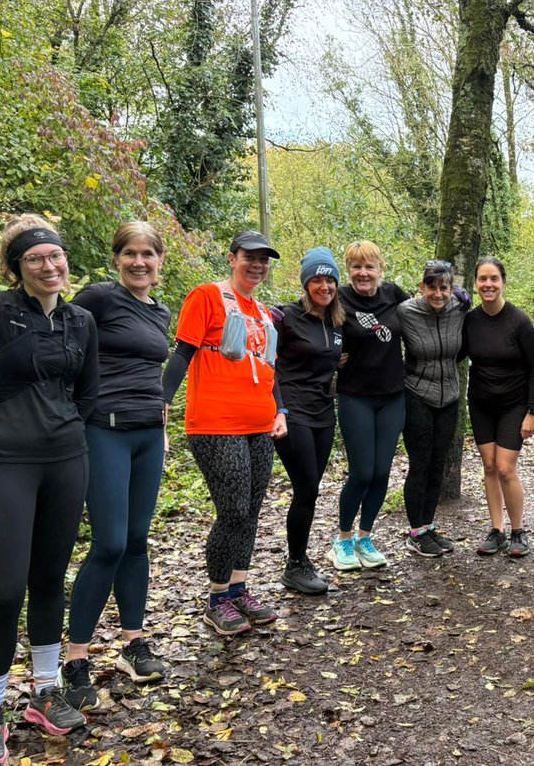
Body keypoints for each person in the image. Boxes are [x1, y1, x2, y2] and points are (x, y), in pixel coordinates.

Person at [0, 214, 98, 766]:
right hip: (4, 461)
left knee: (50, 579)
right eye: (36, 259)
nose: (49, 266)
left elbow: (88, 389)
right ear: (16, 268)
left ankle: (45, 691)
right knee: (5, 589)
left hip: (66, 460)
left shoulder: (81, 321)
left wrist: (67, 429)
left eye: (55, 256)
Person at [58, 222, 173, 712]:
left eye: (148, 253)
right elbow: (64, 348)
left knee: (137, 540)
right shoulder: (99, 299)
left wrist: (163, 428)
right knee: (109, 542)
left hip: (149, 433)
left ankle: (133, 641)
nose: (139, 261)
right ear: (117, 258)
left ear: (160, 261)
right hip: (103, 429)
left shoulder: (162, 311)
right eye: (130, 252)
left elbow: (154, 373)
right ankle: (75, 659)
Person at [162, 230, 288, 636]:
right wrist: (162, 400)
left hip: (259, 423)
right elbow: (183, 351)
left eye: (264, 260)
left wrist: (280, 410)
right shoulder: (207, 296)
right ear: (232, 258)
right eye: (250, 257)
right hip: (216, 424)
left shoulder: (263, 311)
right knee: (232, 510)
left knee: (250, 512)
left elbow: (269, 368)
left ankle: (239, 588)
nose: (257, 265)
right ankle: (217, 598)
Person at [329, 241, 410, 571]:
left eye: (369, 266)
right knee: (361, 472)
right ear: (348, 271)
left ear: (381, 268)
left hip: (392, 396)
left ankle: (365, 537)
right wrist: (332, 359)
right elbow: (316, 329)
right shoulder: (339, 298)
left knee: (381, 473)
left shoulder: (394, 294)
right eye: (356, 267)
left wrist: (458, 299)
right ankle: (343, 540)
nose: (363, 273)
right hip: (355, 396)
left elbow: (425, 311)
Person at [271, 247, 342, 594]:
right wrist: (277, 407)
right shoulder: (285, 316)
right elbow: (264, 360)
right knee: (307, 487)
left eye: (329, 279)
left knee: (310, 491)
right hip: (291, 412)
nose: (324, 286)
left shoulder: (337, 320)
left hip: (324, 413)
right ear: (306, 283)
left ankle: (298, 561)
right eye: (317, 279)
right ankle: (296, 563)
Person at [464, 256, 534, 557]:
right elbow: (454, 351)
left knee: (506, 468)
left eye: (493, 278)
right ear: (475, 284)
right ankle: (496, 530)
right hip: (481, 403)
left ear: (503, 282)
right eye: (482, 279)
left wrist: (532, 411)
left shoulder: (519, 322)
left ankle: (518, 531)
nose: (488, 284)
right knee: (489, 466)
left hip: (513, 404)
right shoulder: (470, 320)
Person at [399, 260, 466, 557]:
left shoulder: (458, 309)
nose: (438, 294)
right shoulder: (406, 312)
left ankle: (428, 527)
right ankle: (415, 531)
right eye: (432, 287)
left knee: (438, 464)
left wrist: (462, 294)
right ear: (422, 287)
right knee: (420, 463)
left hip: (450, 396)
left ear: (451, 289)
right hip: (416, 394)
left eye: (444, 288)